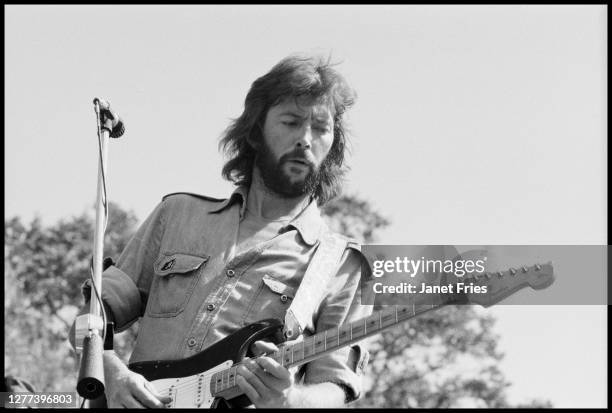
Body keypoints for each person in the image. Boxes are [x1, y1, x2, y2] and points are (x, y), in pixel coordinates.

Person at [70, 54, 372, 408]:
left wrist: (287, 400)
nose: (306, 139)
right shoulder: (177, 214)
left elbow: (335, 386)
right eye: (291, 122)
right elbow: (89, 319)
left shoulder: (341, 263)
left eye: (321, 128)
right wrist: (109, 370)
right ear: (256, 132)